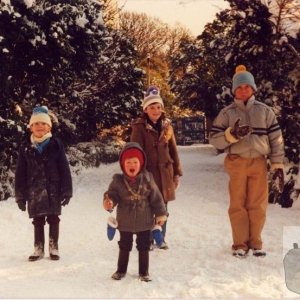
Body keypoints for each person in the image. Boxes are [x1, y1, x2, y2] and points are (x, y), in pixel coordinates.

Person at [209, 65, 284, 258]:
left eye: (247, 87)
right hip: (237, 161)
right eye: (239, 87)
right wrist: (231, 135)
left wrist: (277, 165)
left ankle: (256, 242)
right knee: (238, 204)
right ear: (234, 90)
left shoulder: (265, 111)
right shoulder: (227, 113)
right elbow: (214, 139)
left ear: (253, 89)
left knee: (257, 204)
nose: (243, 90)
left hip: (258, 162)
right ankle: (240, 244)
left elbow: (276, 139)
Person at [15, 106, 73, 261]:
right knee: (38, 220)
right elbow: (20, 174)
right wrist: (20, 196)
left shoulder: (56, 145)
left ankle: (54, 247)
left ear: (49, 126)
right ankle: (38, 248)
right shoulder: (25, 147)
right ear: (30, 127)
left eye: (43, 123)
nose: (40, 126)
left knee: (54, 218)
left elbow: (64, 169)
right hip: (34, 190)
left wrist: (66, 191)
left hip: (53, 189)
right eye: (36, 124)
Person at [103, 142, 167, 281]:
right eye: (128, 162)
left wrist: (161, 214)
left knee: (144, 246)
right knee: (124, 245)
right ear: (122, 164)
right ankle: (121, 270)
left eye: (135, 162)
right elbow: (111, 195)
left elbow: (156, 197)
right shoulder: (118, 180)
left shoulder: (148, 179)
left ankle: (144, 272)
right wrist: (109, 201)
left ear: (141, 163)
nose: (132, 165)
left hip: (144, 219)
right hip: (125, 219)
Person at [130, 86, 183, 250]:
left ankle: (160, 237)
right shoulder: (139, 127)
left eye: (158, 107)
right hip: (148, 173)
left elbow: (173, 150)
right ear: (146, 110)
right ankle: (147, 239)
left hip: (165, 173)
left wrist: (177, 173)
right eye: (152, 107)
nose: (156, 110)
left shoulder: (167, 126)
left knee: (163, 207)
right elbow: (135, 151)